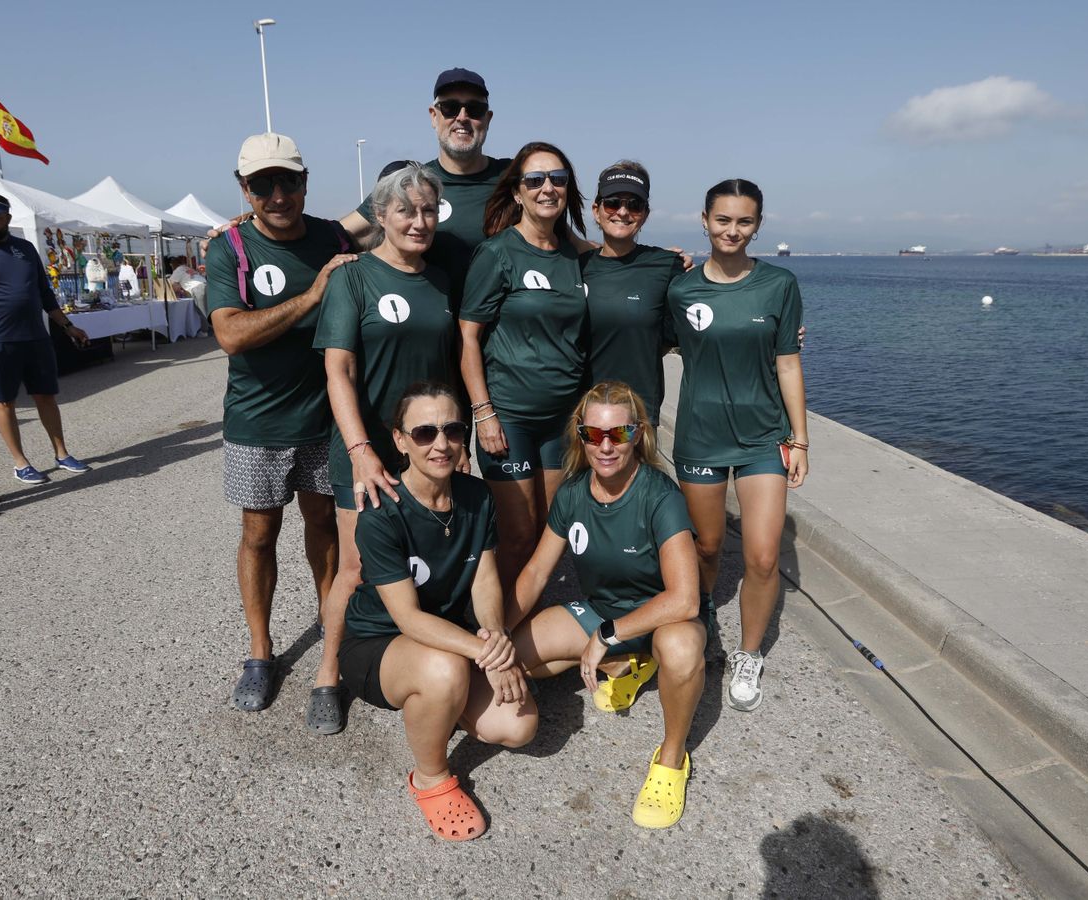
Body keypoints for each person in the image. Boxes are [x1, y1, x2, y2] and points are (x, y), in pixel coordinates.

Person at [339, 380, 536, 841]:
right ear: (400, 440)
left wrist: (493, 634)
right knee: (446, 669)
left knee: (518, 726)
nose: (441, 443)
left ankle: (441, 705)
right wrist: (487, 653)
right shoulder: (381, 513)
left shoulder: (476, 496)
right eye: (425, 432)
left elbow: (486, 578)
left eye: (451, 429)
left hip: (451, 638)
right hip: (378, 644)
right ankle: (430, 776)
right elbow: (407, 619)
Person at [206, 132, 358, 714]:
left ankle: (332, 644)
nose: (276, 194)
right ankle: (261, 652)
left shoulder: (333, 236)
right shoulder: (230, 248)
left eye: (286, 180)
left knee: (324, 526)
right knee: (259, 534)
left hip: (325, 418)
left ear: (304, 181)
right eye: (261, 184)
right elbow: (230, 334)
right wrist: (313, 295)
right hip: (258, 423)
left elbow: (398, 209)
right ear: (244, 189)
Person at [510, 381, 704, 828]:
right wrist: (495, 637)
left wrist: (609, 633)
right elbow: (537, 573)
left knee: (680, 650)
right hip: (603, 612)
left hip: (662, 617)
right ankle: (624, 665)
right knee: (514, 657)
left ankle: (671, 759)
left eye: (618, 434)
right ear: (580, 434)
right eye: (593, 434)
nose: (605, 446)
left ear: (637, 434)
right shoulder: (573, 492)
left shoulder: (661, 496)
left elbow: (685, 598)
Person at [308, 161, 457, 735]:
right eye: (404, 210)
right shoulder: (352, 278)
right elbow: (338, 371)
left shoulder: (443, 279)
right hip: (367, 448)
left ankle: (412, 656)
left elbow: (449, 367)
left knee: (424, 553)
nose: (418, 222)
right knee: (354, 567)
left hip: (429, 443)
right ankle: (327, 673)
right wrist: (361, 448)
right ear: (380, 216)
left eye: (426, 210)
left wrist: (455, 437)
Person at [669, 179, 809, 712]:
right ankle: (698, 625)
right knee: (704, 549)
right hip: (700, 437)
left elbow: (789, 361)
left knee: (764, 556)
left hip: (762, 437)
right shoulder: (680, 290)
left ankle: (749, 653)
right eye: (723, 219)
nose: (732, 230)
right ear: (704, 220)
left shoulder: (779, 284)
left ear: (758, 226)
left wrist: (800, 438)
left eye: (744, 221)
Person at [459, 141, 588, 598]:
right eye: (535, 180)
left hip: (562, 421)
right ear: (517, 192)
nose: (547, 187)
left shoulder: (576, 254)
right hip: (509, 416)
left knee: (549, 532)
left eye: (557, 178)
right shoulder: (497, 254)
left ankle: (531, 624)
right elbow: (469, 337)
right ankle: (504, 636)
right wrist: (483, 412)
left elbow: (623, 267)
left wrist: (677, 265)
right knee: (514, 536)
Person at [340, 68, 509, 300]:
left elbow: (563, 242)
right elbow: (339, 234)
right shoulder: (414, 184)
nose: (462, 117)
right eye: (450, 108)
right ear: (433, 116)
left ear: (487, 119)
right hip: (433, 328)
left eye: (474, 109)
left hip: (501, 332)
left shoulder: (515, 179)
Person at [0, 191, 92, 485]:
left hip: (35, 336)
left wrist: (68, 325)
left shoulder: (25, 249)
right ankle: (21, 463)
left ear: (7, 217)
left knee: (46, 395)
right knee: (4, 400)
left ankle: (61, 453)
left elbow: (45, 293)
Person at [580, 162, 685, 426]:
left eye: (634, 205)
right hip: (581, 409)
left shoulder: (667, 265)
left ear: (645, 214)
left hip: (638, 413)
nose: (623, 212)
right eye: (613, 203)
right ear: (596, 210)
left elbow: (685, 326)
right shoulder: (575, 267)